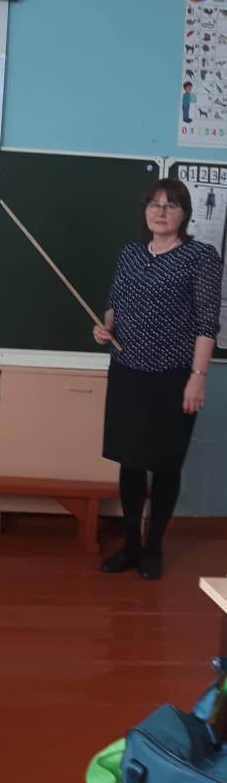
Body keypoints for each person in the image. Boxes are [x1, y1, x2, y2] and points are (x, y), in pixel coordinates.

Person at [93, 178, 222, 580]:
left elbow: (207, 324)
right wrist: (105, 327)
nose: (160, 212)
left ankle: (153, 548)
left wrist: (198, 377)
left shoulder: (200, 256)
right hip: (127, 373)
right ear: (145, 211)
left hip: (173, 377)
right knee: (131, 462)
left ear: (185, 213)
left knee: (165, 464)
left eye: (170, 205)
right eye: (154, 204)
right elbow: (114, 305)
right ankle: (131, 545)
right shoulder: (130, 254)